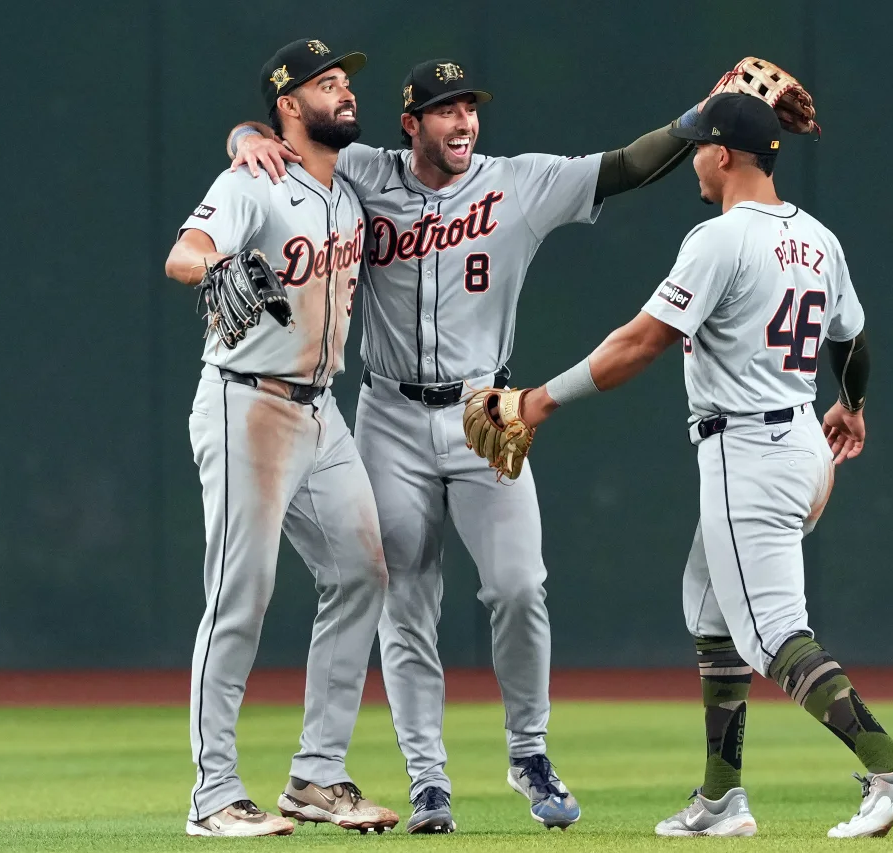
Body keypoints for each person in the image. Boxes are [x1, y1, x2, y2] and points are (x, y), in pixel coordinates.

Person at [224, 57, 704, 832]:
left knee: (519, 585)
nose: (462, 122)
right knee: (404, 598)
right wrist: (245, 132)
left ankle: (529, 752)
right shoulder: (366, 171)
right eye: (444, 110)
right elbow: (289, 139)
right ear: (411, 123)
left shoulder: (521, 180)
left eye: (469, 108)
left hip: (489, 408)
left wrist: (699, 119)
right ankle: (427, 780)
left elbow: (622, 168)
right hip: (388, 412)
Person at [474, 93, 893, 839]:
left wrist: (538, 401)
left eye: (698, 145)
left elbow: (641, 342)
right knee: (710, 607)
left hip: (747, 451)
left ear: (723, 155)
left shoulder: (718, 239)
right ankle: (722, 799)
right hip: (800, 446)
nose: (691, 156)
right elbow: (850, 337)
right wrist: (851, 404)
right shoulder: (818, 237)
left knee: (774, 633)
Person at [163, 37, 398, 837]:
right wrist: (213, 267)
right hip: (247, 404)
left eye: (345, 82)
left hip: (320, 408)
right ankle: (213, 793)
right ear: (289, 105)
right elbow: (184, 253)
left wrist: (242, 128)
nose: (344, 93)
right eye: (325, 85)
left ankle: (317, 775)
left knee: (363, 573)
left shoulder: (350, 182)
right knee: (241, 595)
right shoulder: (251, 180)